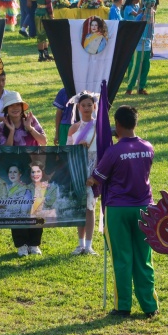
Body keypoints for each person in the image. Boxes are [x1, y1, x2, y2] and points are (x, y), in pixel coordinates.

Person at [92, 105, 159, 318]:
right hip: (144, 208)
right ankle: (150, 306)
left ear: (117, 124)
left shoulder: (113, 151)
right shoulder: (148, 147)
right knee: (144, 258)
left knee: (122, 259)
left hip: (118, 209)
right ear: (135, 122)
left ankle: (123, 307)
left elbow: (96, 178)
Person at [0, 92, 47, 256]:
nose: (15, 108)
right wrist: (11, 131)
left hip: (34, 169)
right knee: (17, 206)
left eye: (17, 105)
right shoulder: (1, 127)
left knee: (36, 205)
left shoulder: (31, 120)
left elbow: (43, 141)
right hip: (16, 172)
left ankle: (34, 243)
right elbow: (6, 149)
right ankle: (21, 244)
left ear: (22, 107)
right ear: (6, 109)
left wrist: (30, 128)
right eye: (11, 106)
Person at [67, 92, 99, 255]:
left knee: (90, 208)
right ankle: (80, 243)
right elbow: (67, 151)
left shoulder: (99, 127)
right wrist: (78, 145)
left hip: (93, 170)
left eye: (89, 105)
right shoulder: (74, 128)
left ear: (94, 106)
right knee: (80, 207)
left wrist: (96, 175)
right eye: (83, 105)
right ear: (78, 107)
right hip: (78, 169)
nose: (86, 108)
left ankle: (89, 245)